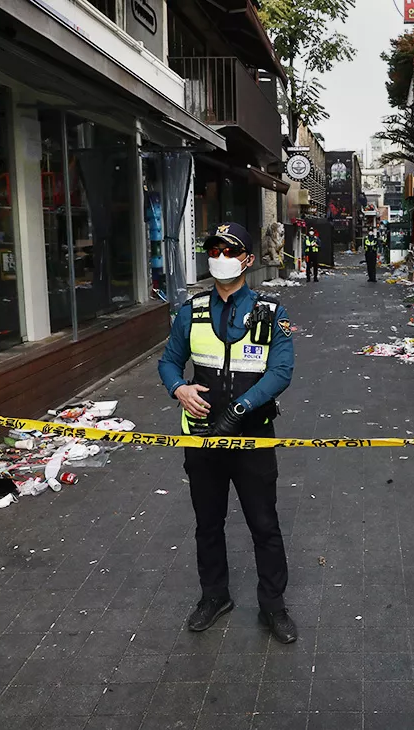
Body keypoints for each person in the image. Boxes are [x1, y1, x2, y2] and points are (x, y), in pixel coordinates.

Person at [158, 222, 298, 644]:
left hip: (252, 436)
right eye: (214, 249)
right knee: (207, 523)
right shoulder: (192, 311)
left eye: (229, 250)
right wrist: (179, 388)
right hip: (201, 437)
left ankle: (273, 606)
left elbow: (281, 371)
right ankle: (213, 596)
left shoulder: (271, 313)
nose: (219, 257)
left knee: (264, 523)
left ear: (248, 260)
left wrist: (240, 409)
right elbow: (168, 362)